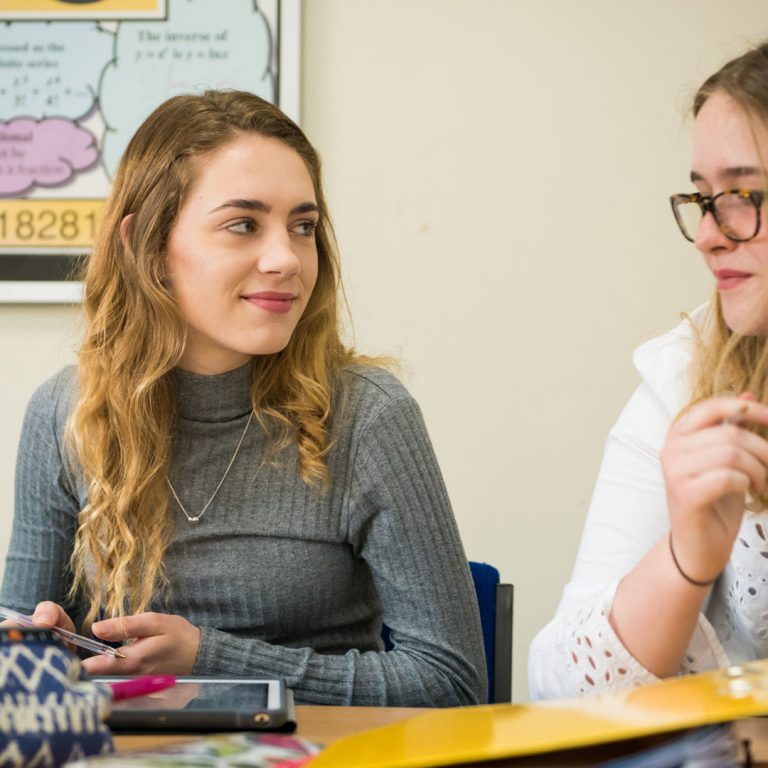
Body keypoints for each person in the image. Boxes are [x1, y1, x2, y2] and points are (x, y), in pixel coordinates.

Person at [1, 90, 486, 707]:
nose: (286, 258)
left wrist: (212, 659)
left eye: (303, 226)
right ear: (147, 245)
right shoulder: (64, 414)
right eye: (243, 224)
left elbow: (452, 683)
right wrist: (52, 655)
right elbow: (19, 681)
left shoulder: (369, 416)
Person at [529, 41, 768, 699]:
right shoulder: (686, 378)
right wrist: (685, 559)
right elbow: (558, 690)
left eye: (743, 194)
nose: (708, 234)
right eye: (702, 197)